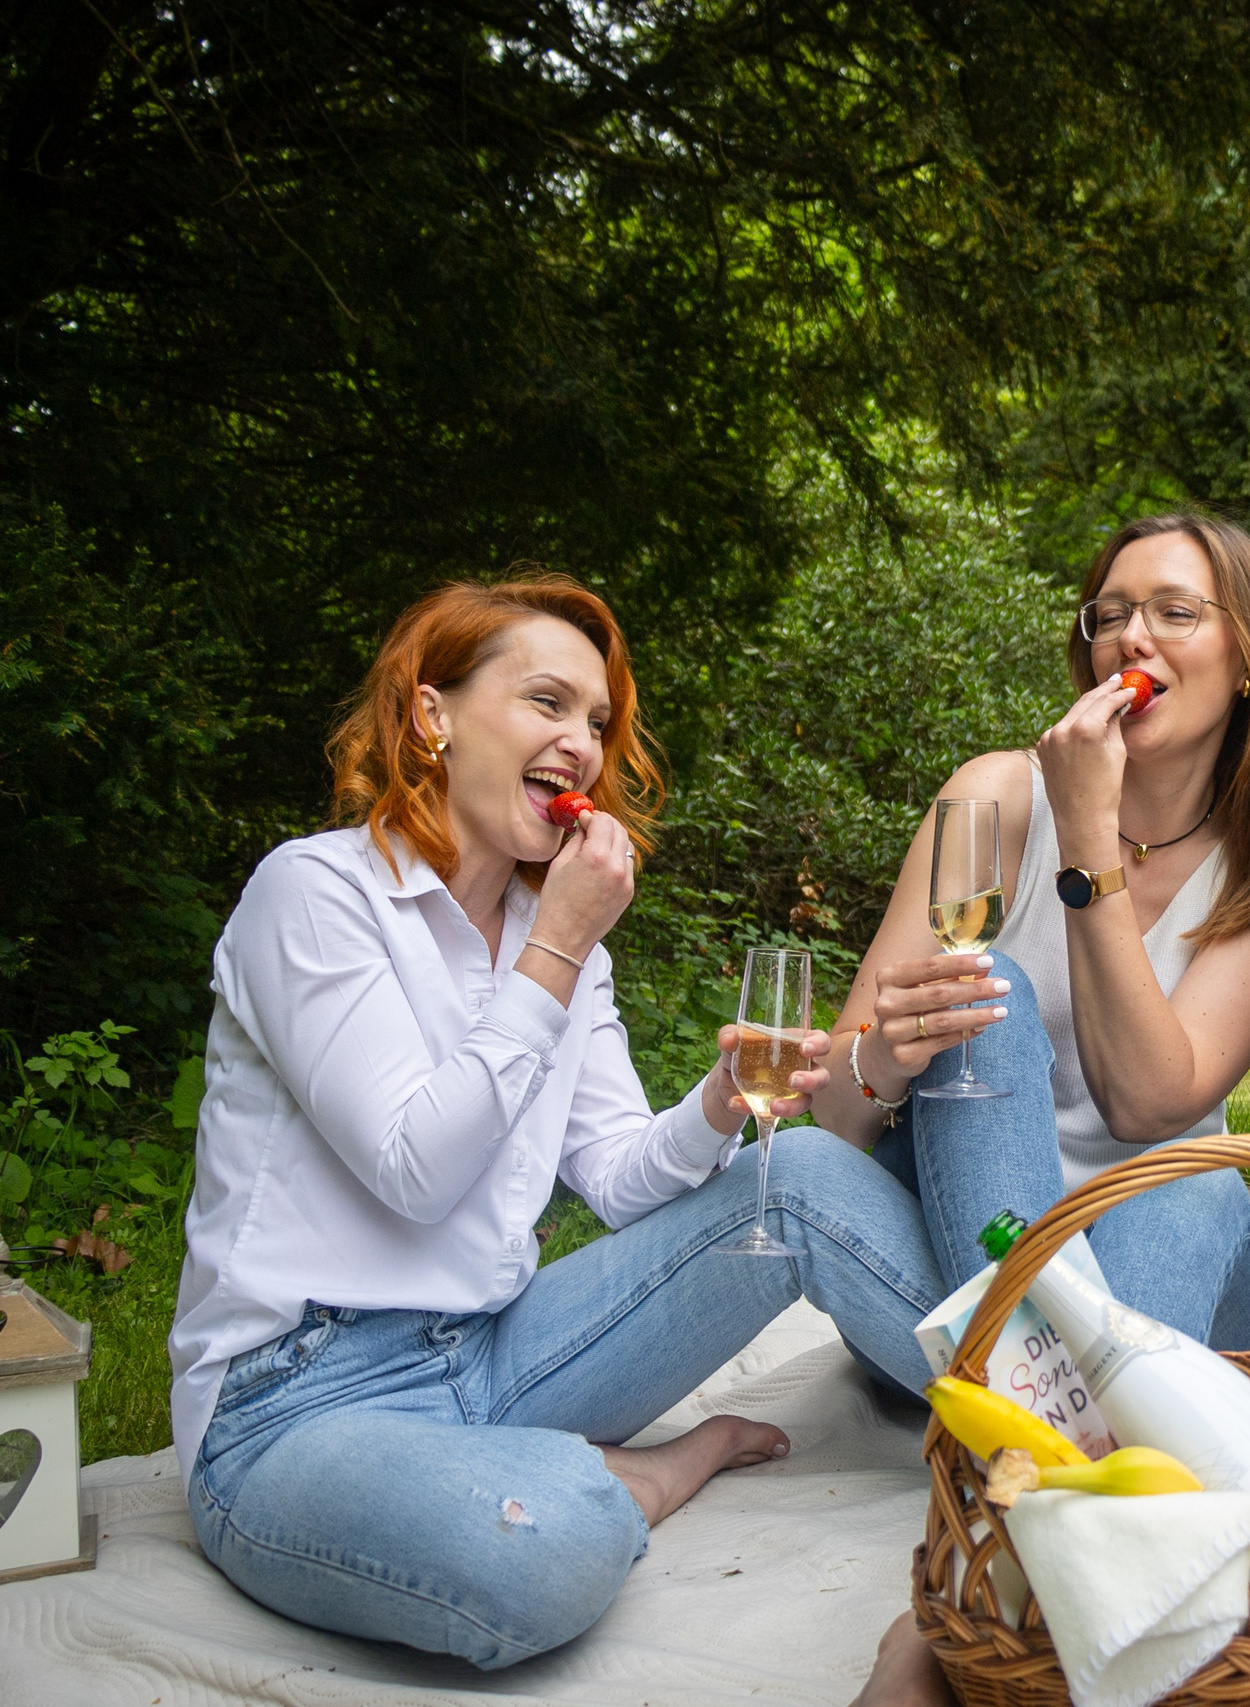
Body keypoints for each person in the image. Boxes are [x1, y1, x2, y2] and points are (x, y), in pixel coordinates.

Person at [169, 575, 951, 1669]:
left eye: (596, 722)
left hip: (493, 1354)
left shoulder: (559, 941)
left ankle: (1066, 1413)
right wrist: (558, 952)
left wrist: (717, 1107)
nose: (580, 743)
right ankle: (639, 1474)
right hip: (293, 1404)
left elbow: (621, 1177)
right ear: (431, 716)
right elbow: (413, 1170)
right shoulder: (314, 895)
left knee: (800, 1172)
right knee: (537, 1551)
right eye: (546, 702)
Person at [811, 514, 1250, 1351]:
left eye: (1174, 612)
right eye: (1109, 616)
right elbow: (836, 1114)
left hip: (1172, 1251)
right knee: (988, 994)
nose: (1131, 639)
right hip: (967, 1251)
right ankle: (1059, 1396)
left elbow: (1145, 1105)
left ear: (1246, 663)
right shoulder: (998, 800)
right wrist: (881, 1058)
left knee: (1195, 1188)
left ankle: (1025, 1389)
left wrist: (1088, 837)